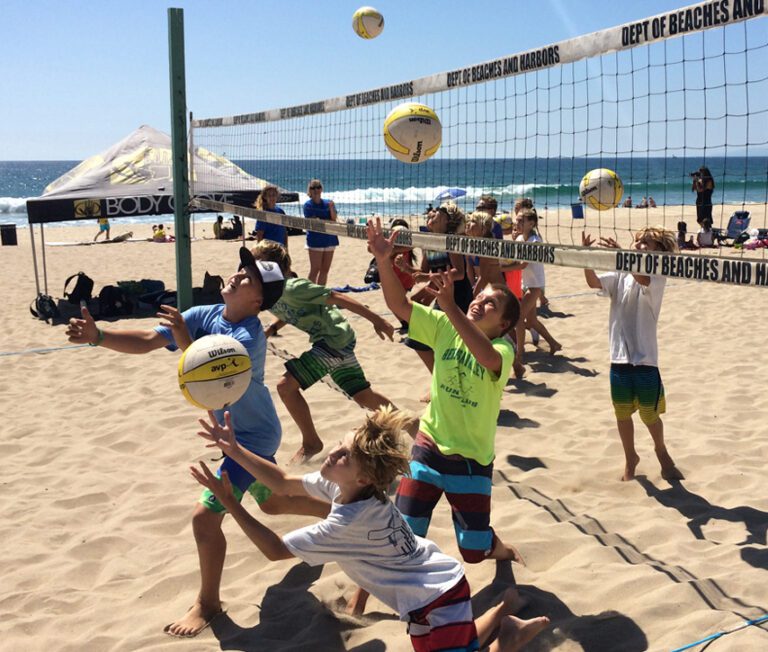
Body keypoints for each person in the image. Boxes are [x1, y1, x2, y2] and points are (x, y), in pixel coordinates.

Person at [64, 246, 329, 638]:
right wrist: (98, 335)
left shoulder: (249, 335)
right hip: (235, 435)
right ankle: (336, 515)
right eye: (240, 269)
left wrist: (186, 341)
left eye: (248, 278)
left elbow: (211, 375)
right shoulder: (205, 314)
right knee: (273, 504)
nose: (237, 276)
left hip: (250, 438)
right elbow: (147, 339)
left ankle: (208, 602)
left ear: (257, 301)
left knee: (205, 517)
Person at [191, 407, 549, 651]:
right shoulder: (346, 486)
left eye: (344, 455)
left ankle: (509, 638)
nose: (333, 454)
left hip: (432, 598)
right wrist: (234, 449)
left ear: (362, 477)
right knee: (456, 639)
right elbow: (282, 482)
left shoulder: (346, 523)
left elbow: (273, 550)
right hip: (438, 587)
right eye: (341, 445)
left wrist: (231, 502)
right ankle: (503, 613)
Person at [368, 217, 524, 569]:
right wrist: (383, 263)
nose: (480, 303)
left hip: (471, 461)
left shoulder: (503, 348)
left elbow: (484, 356)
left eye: (490, 305)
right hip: (429, 447)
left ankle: (497, 547)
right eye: (481, 297)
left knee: (474, 553)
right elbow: (400, 308)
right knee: (406, 536)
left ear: (503, 326)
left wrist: (451, 306)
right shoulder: (445, 325)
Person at [253, 240, 398, 465]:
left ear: (272, 268)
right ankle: (411, 423)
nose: (251, 267)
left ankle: (311, 442)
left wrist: (377, 320)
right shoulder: (268, 294)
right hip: (338, 340)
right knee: (363, 395)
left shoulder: (293, 287)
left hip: (333, 340)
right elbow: (289, 310)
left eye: (257, 262)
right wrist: (271, 329)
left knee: (286, 387)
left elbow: (337, 297)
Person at [582, 227, 684, 482]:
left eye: (645, 243)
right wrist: (585, 257)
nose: (639, 245)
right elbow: (594, 282)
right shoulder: (621, 274)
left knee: (649, 414)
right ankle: (630, 457)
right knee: (622, 413)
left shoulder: (658, 274)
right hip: (619, 356)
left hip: (645, 358)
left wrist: (623, 255)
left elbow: (642, 278)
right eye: (636, 241)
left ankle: (661, 450)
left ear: (659, 251)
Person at [503, 209, 561, 378]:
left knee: (519, 318)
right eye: (517, 220)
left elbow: (521, 265)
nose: (517, 223)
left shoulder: (535, 241)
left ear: (531, 223)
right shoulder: (520, 238)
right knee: (532, 320)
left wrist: (500, 268)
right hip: (525, 283)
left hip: (535, 285)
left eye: (521, 221)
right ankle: (554, 343)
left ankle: (520, 354)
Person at [303, 179, 339, 286]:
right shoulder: (308, 205)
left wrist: (331, 209)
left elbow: (333, 219)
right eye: (313, 187)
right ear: (309, 190)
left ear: (321, 189)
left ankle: (320, 293)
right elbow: (315, 223)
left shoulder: (329, 203)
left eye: (318, 187)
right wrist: (326, 221)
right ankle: (309, 294)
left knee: (325, 270)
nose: (316, 189)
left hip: (330, 239)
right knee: (315, 269)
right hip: (315, 240)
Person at [466, 211, 503, 296]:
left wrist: (473, 297)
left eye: (473, 221)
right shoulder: (471, 243)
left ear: (483, 229)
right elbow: (470, 270)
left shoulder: (487, 245)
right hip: (485, 288)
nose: (468, 223)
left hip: (496, 290)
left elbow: (483, 277)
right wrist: (473, 287)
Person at [253, 184, 288, 249]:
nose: (272, 198)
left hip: (280, 248)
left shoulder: (281, 211)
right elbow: (259, 235)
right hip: (268, 249)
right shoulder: (263, 214)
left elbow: (284, 232)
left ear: (277, 196)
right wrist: (260, 250)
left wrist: (286, 248)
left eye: (274, 195)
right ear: (265, 197)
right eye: (269, 195)